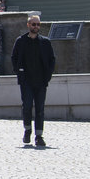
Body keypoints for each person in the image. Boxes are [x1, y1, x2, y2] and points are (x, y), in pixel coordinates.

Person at [11, 14, 56, 147]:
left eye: (38, 24)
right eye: (33, 24)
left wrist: (48, 76)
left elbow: (52, 60)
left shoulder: (45, 42)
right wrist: (19, 72)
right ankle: (27, 130)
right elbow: (14, 58)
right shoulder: (21, 41)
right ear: (28, 25)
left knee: (40, 109)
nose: (36, 27)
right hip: (26, 81)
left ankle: (39, 135)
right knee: (27, 106)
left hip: (41, 81)